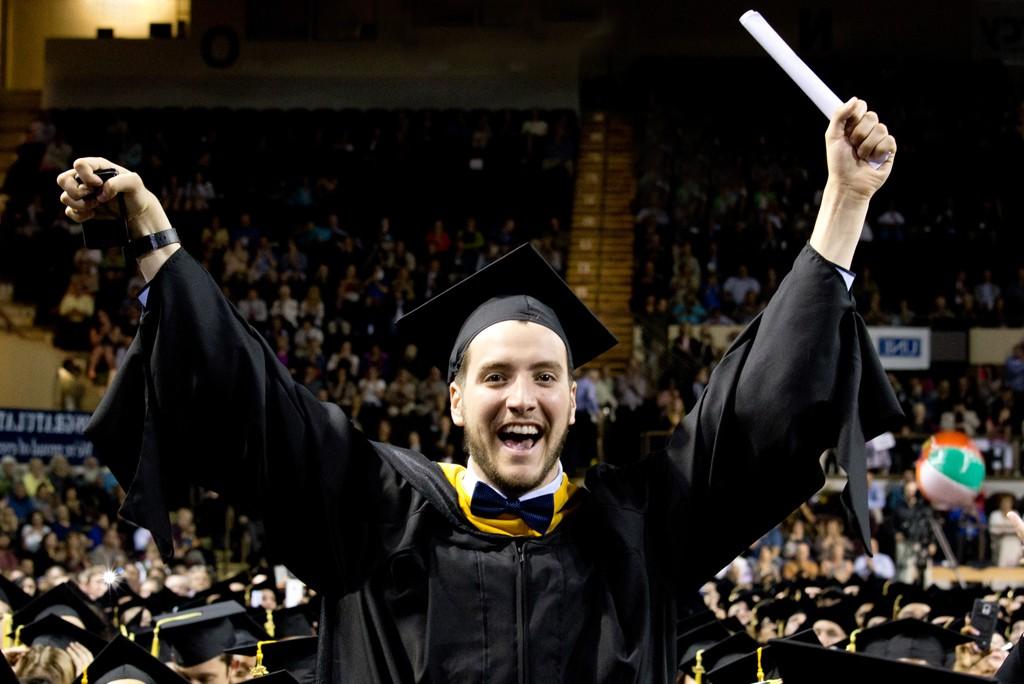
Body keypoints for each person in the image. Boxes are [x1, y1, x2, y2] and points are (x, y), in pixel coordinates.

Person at [62, 99, 899, 682]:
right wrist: (150, 229)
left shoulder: (639, 529)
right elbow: (251, 407)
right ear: (455, 400)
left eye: (546, 376)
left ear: (577, 401)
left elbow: (756, 417)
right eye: (495, 376)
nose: (522, 397)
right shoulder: (372, 511)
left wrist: (844, 201)